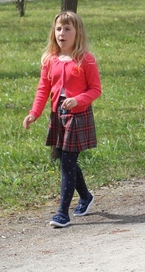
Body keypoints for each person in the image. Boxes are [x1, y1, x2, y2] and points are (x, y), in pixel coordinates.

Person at [23, 11, 102, 228]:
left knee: (67, 163)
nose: (62, 33)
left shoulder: (86, 60)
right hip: (58, 116)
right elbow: (43, 89)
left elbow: (96, 90)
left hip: (78, 117)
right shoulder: (50, 60)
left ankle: (62, 213)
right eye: (59, 29)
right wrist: (34, 113)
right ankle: (85, 196)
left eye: (68, 29)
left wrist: (78, 100)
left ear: (78, 33)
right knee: (66, 160)